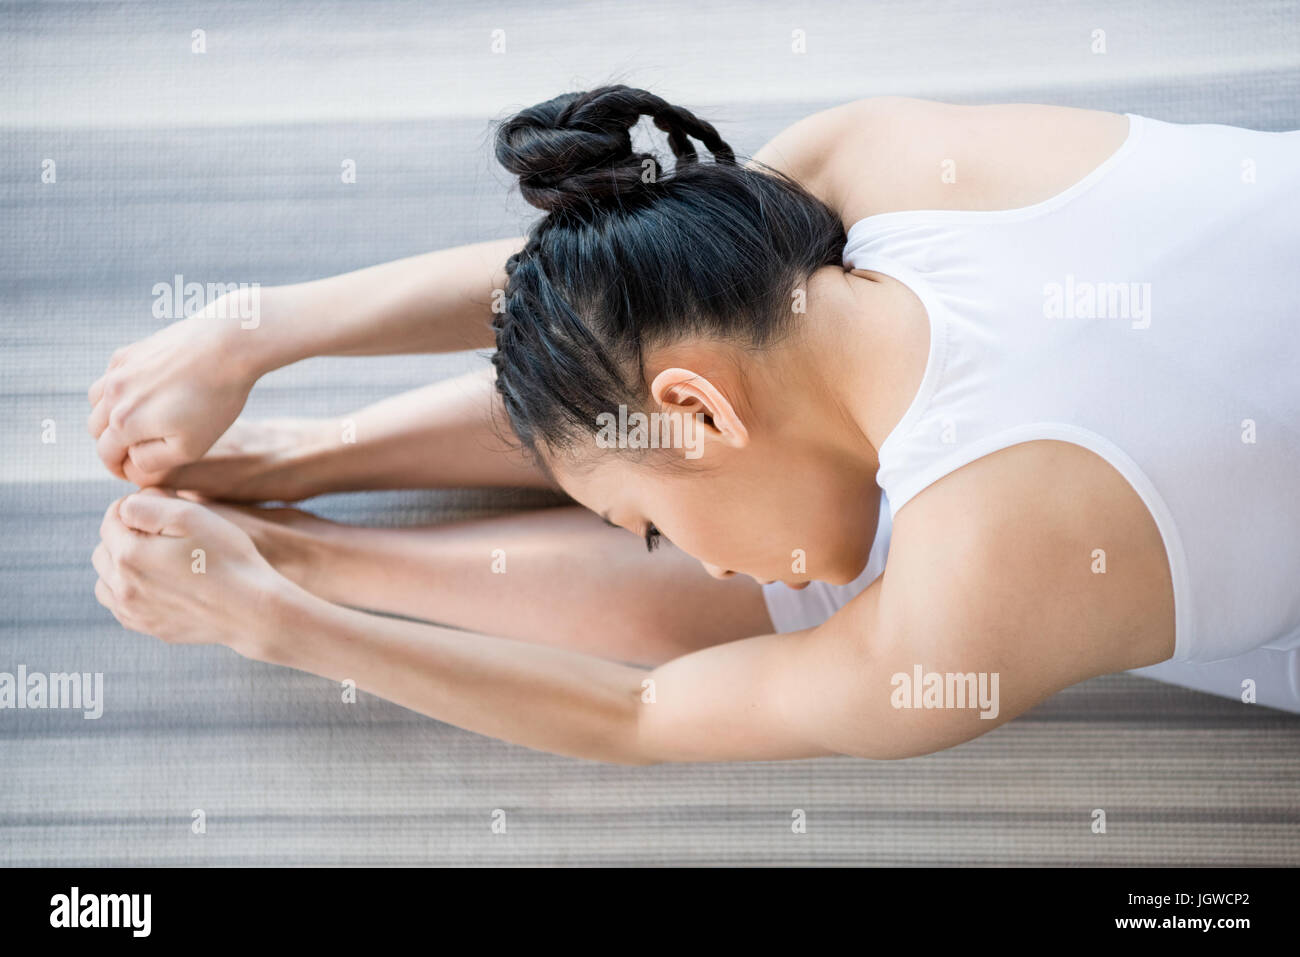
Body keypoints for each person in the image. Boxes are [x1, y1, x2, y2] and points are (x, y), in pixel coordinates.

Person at [87, 88, 1300, 764]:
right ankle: (298, 464)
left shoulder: (972, 592)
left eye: (653, 530)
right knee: (676, 361)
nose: (707, 558)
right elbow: (634, 282)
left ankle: (304, 543)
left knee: (831, 560)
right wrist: (252, 331)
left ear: (697, 413)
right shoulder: (882, 155)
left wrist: (281, 621)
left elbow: (644, 713)